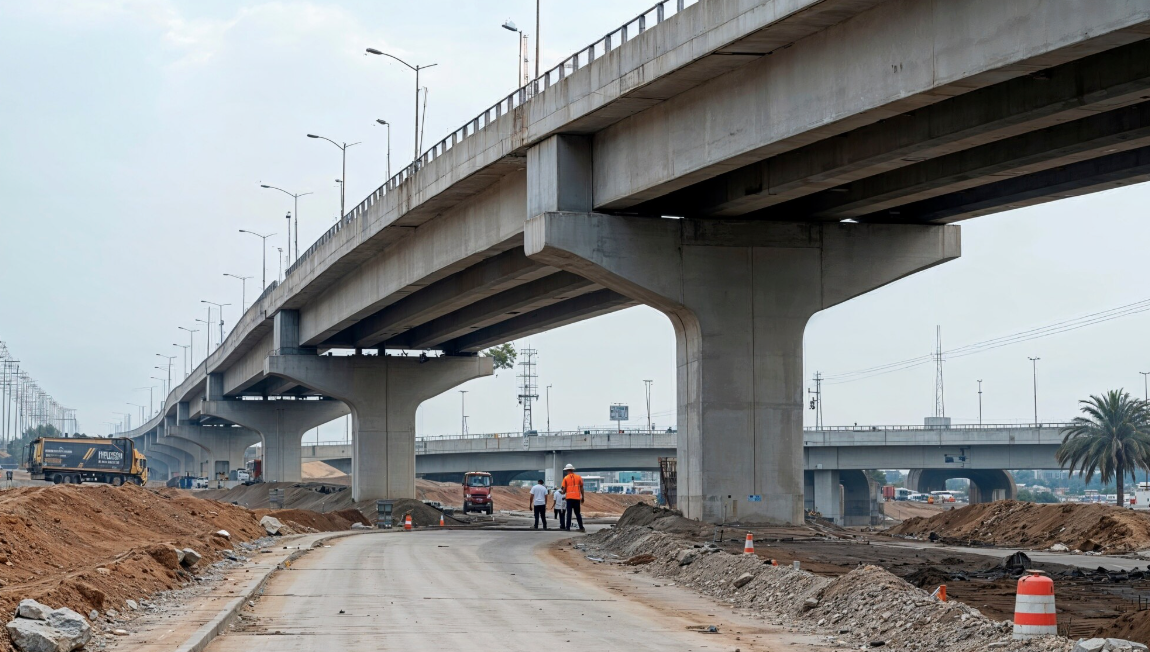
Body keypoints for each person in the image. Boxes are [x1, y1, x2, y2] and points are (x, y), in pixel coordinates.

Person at [560, 463, 585, 532]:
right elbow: (582, 488)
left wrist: (562, 492)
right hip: (577, 498)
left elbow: (564, 490)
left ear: (567, 470)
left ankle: (567, 528)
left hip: (569, 499)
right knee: (577, 513)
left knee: (569, 514)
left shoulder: (565, 478)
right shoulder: (578, 477)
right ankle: (581, 527)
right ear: (572, 470)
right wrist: (583, 497)